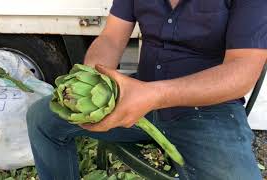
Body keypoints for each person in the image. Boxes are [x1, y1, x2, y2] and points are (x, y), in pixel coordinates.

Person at [26, 0, 267, 179]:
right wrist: (92, 82)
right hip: (134, 95)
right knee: (40, 118)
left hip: (208, 109)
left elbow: (242, 69)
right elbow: (111, 37)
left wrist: (156, 95)